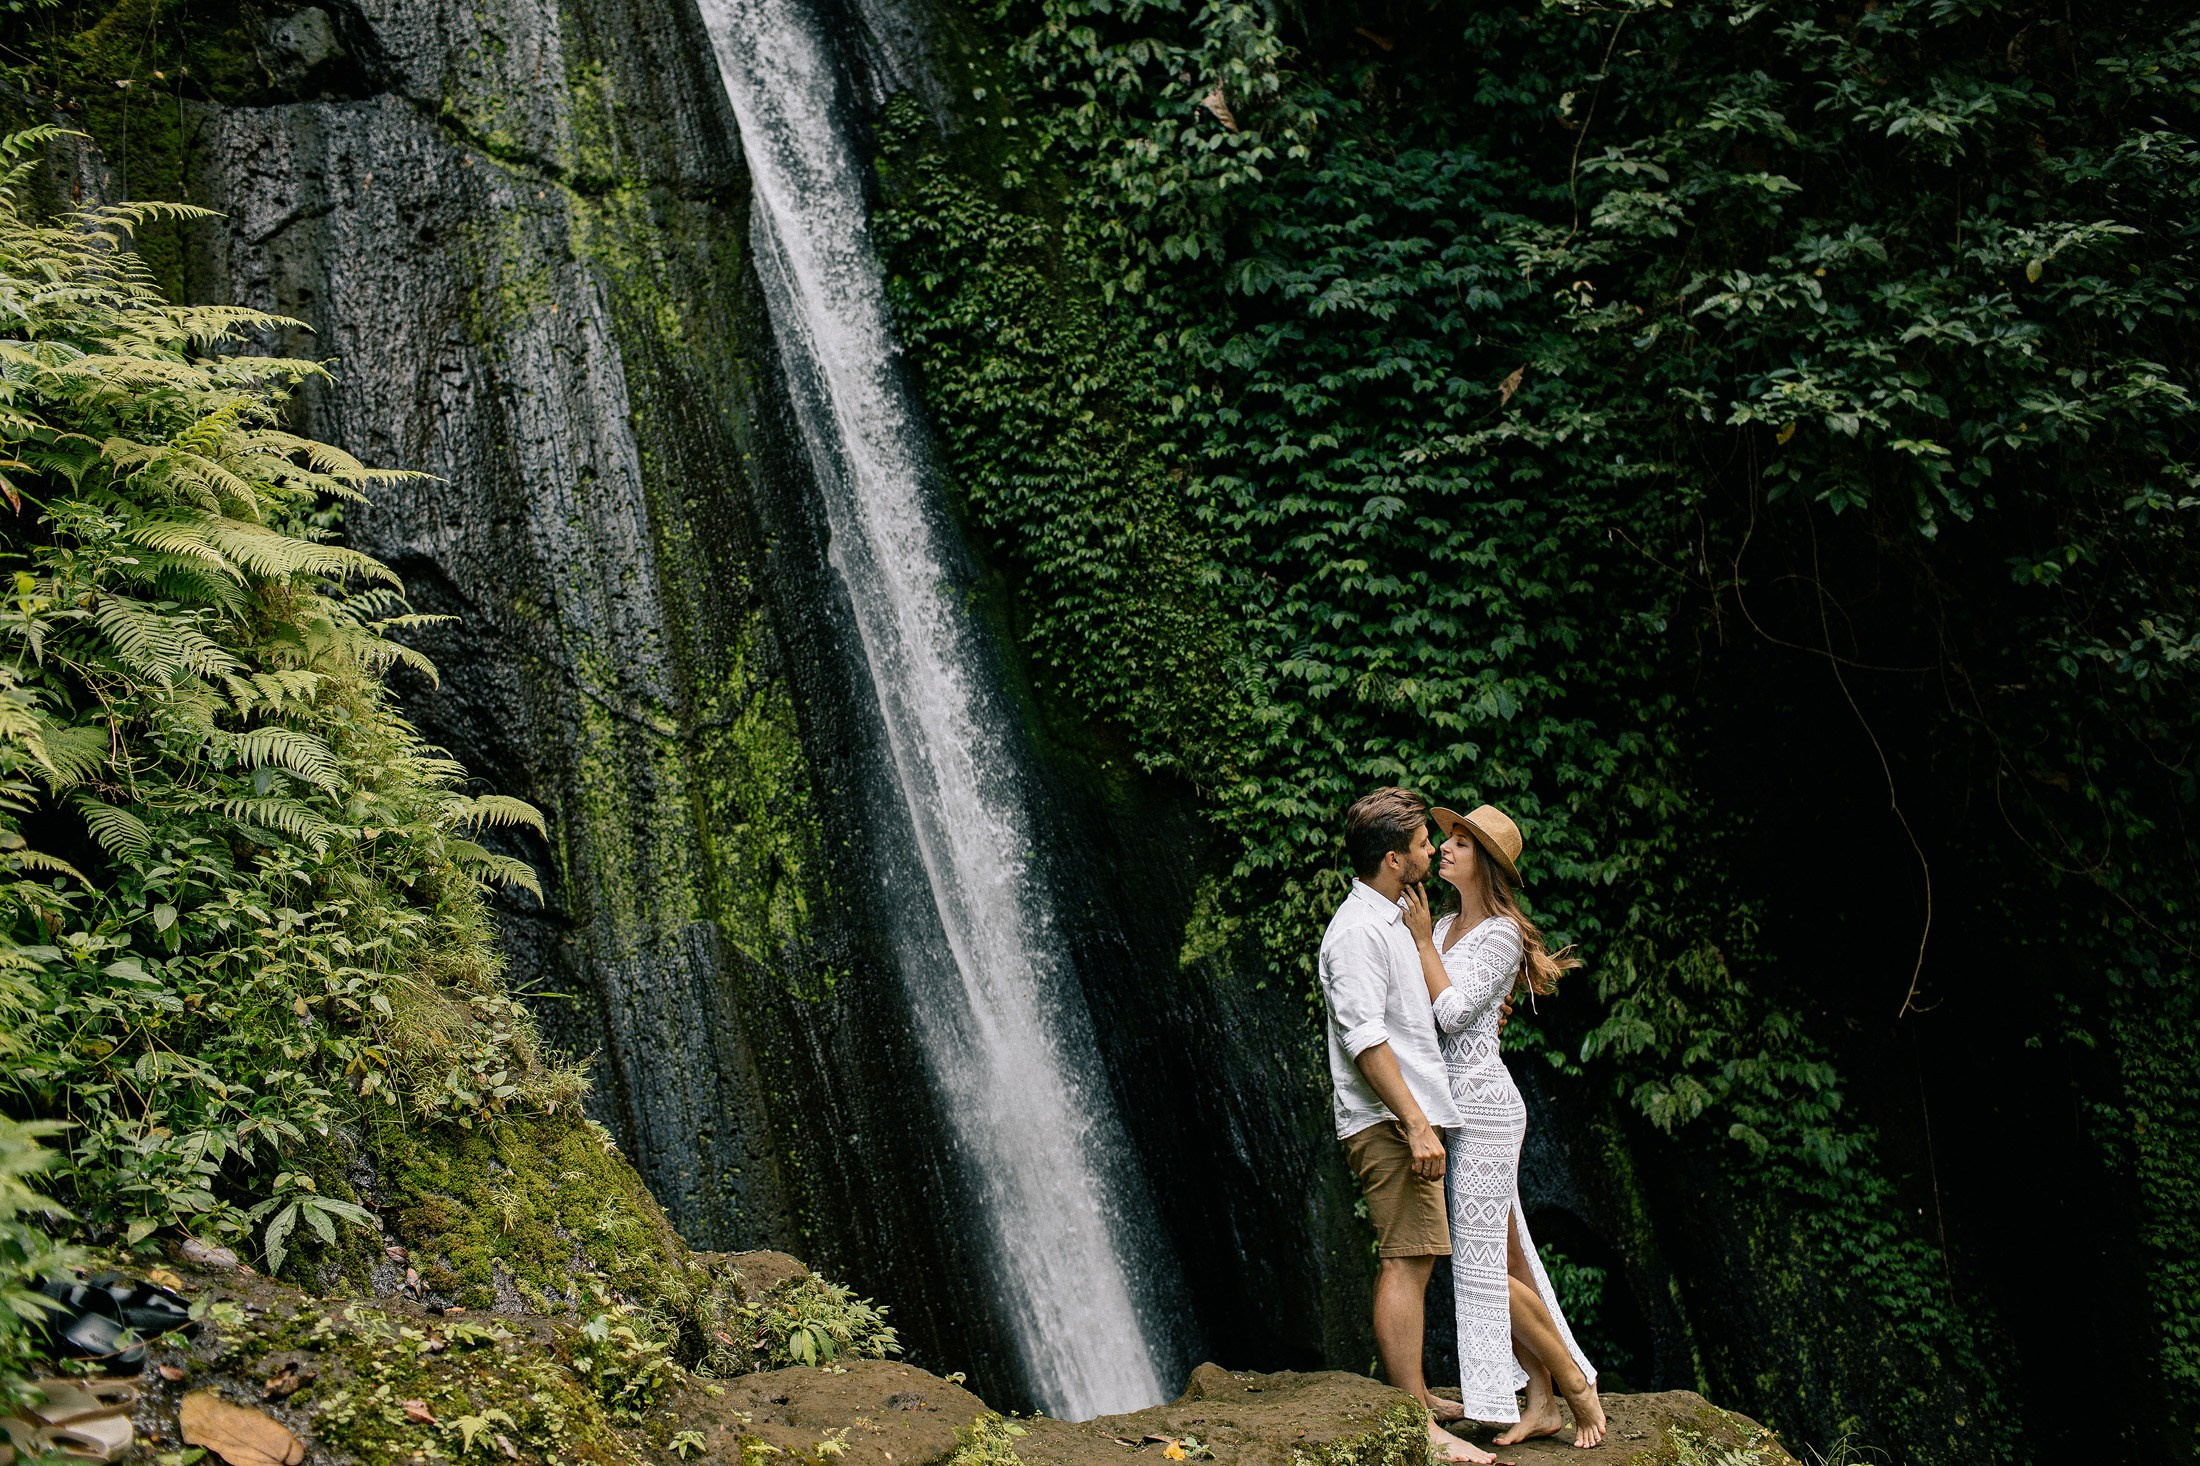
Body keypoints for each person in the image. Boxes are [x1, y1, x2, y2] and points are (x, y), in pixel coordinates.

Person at [1403, 803, 1606, 1449]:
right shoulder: (1441, 930)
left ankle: (1574, 1383)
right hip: (1448, 1107)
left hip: (1486, 1111)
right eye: (1448, 839)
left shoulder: (1499, 933)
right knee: (1510, 1260)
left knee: (1484, 1265)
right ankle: (1542, 1401)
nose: (1445, 849)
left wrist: (1417, 946)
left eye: (1460, 842)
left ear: (1484, 863)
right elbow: (1421, 1011)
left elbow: (1456, 1013)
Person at [1320, 788, 1494, 1465]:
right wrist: (1415, 1123)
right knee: (1406, 1258)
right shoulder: (1356, 933)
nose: (1434, 850)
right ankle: (1415, 1423)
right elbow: (1364, 1038)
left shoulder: (1391, 920)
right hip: (1389, 1122)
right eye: (1424, 843)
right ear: (1394, 859)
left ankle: (1418, 1400)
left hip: (1407, 1116)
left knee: (1415, 1258)